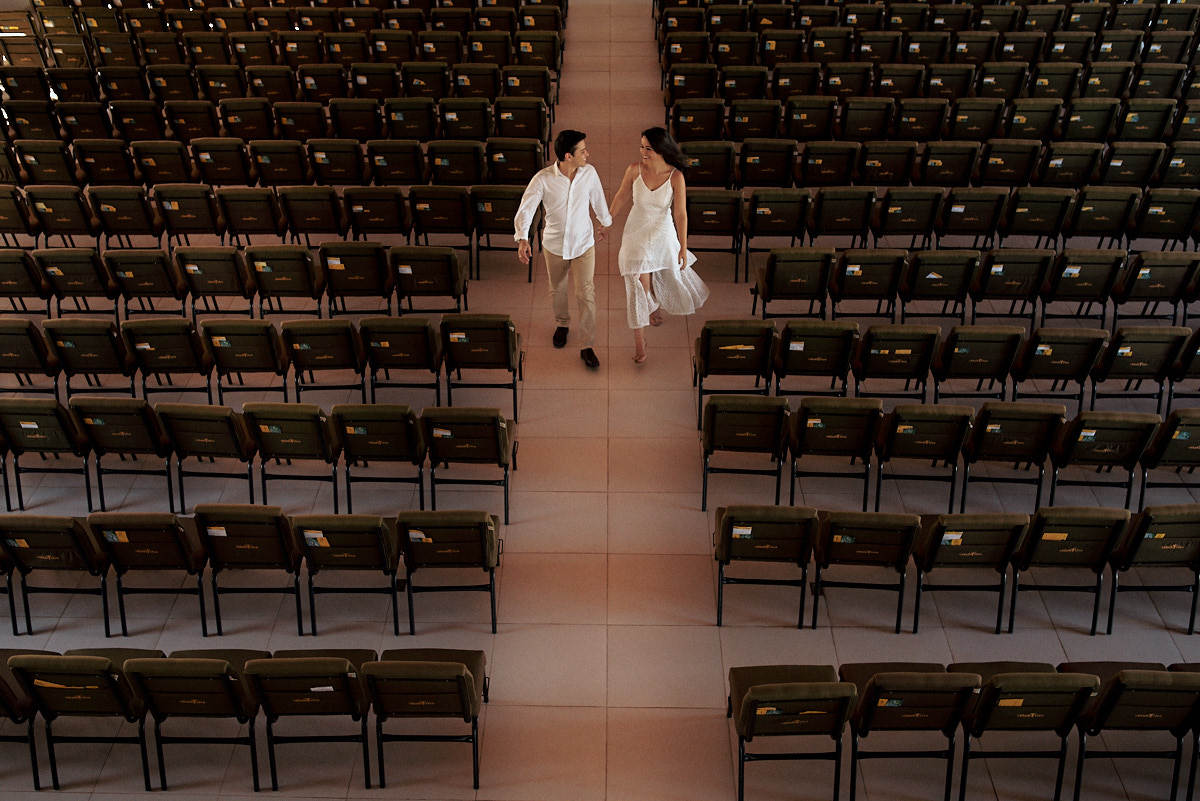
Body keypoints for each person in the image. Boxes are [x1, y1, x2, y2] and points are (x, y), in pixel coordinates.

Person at [608, 127, 709, 363]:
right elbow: (621, 196)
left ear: (661, 150)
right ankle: (640, 343)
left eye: (649, 148)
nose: (643, 152)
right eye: (641, 146)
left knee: (659, 273)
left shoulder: (676, 177)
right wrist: (607, 221)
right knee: (638, 284)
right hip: (636, 232)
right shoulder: (634, 170)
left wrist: (683, 247)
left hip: (662, 232)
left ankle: (653, 307)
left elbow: (681, 214)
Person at [513, 129, 611, 370]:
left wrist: (604, 222)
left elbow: (598, 199)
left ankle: (587, 345)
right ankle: (562, 324)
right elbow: (527, 208)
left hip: (583, 244)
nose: (587, 153)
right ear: (568, 156)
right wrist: (522, 239)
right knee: (557, 289)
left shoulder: (589, 173)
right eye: (582, 150)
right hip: (554, 246)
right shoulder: (543, 179)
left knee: (586, 294)